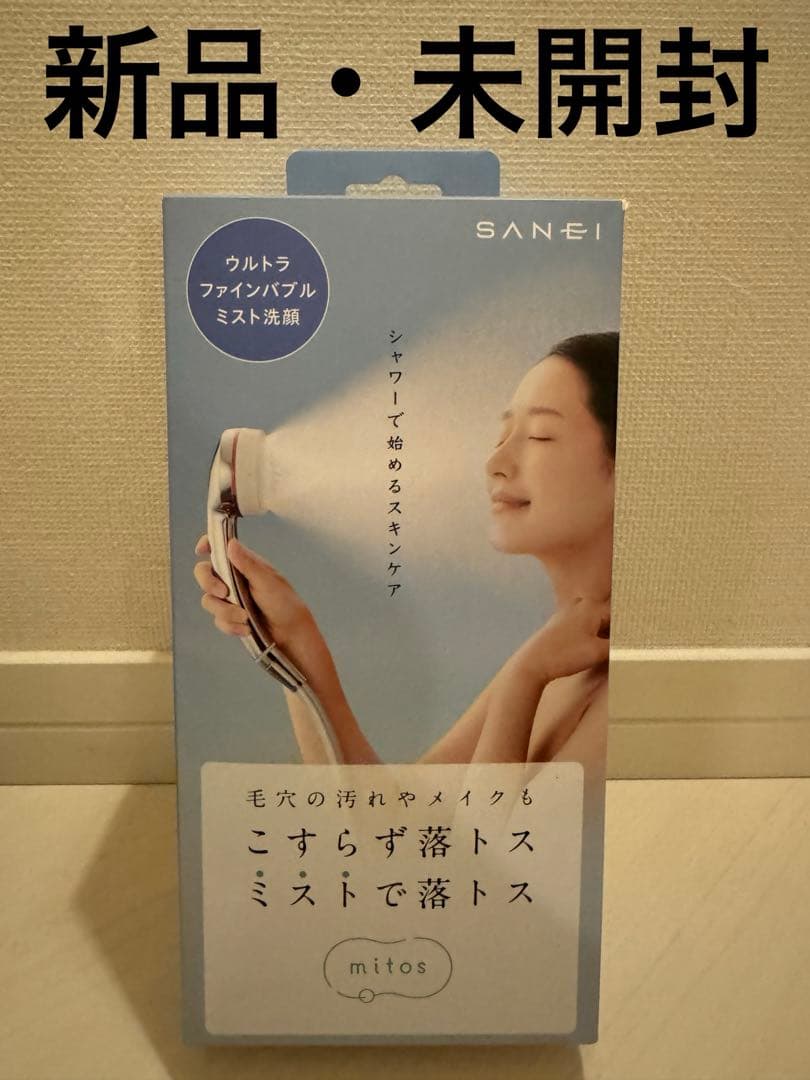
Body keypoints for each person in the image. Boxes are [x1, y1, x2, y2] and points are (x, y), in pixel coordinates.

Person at [194, 331, 618, 770]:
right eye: (503, 434)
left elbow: (486, 821)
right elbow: (396, 807)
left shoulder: (611, 690)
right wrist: (293, 640)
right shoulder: (557, 647)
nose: (495, 464)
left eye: (541, 436)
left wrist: (523, 682)